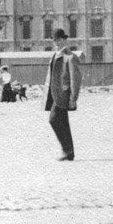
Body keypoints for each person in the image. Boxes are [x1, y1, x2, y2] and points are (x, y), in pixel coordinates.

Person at [44, 29, 82, 160]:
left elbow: (75, 79)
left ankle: (66, 150)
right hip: (55, 93)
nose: (55, 42)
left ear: (63, 40)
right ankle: (69, 153)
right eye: (54, 40)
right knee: (63, 122)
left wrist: (73, 98)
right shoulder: (55, 55)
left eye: (58, 40)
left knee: (53, 119)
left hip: (63, 94)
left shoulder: (70, 56)